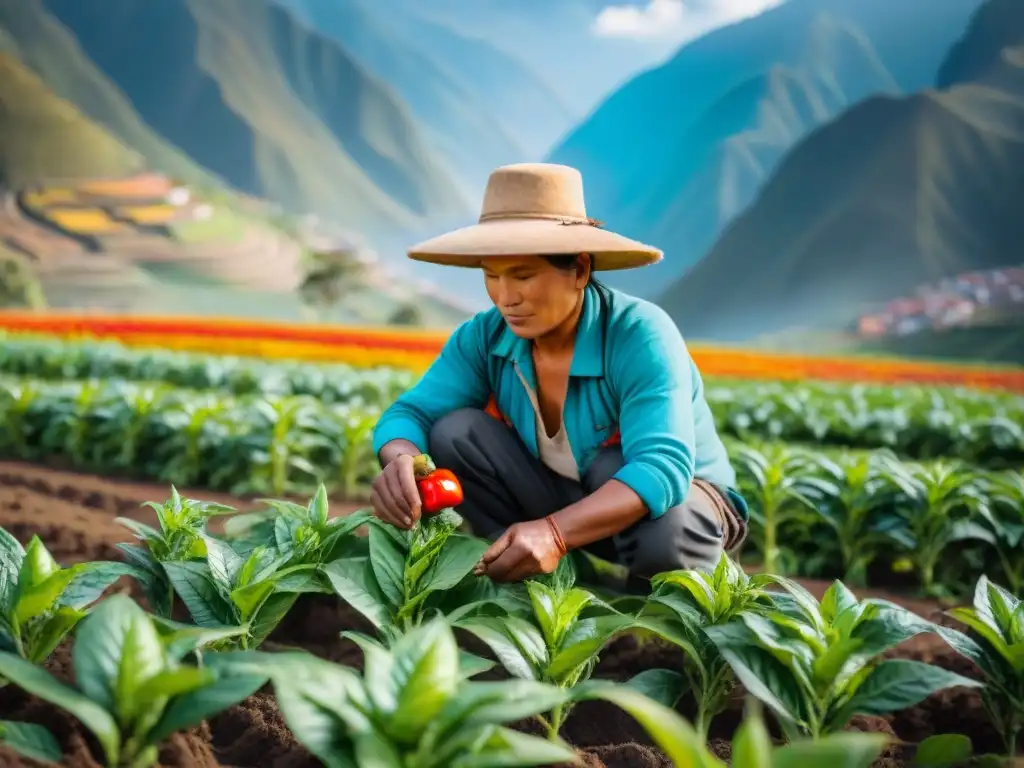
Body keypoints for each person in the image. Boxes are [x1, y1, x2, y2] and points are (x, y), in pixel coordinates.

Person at [370, 163, 747, 585]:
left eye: (523, 276)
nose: (505, 298)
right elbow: (411, 414)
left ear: (580, 270)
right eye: (491, 276)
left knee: (638, 497)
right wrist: (402, 460)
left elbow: (661, 468)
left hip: (681, 507)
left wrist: (554, 532)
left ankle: (661, 618)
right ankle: (524, 575)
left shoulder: (639, 334)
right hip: (566, 495)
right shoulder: (484, 336)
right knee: (456, 432)